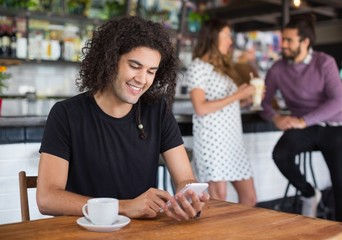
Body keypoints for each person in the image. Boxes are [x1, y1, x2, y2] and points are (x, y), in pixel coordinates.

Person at [36, 16, 209, 222]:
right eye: (135, 66)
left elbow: (185, 178)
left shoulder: (157, 111)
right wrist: (125, 207)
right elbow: (47, 198)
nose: (142, 79)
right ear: (110, 61)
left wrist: (188, 196)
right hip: (85, 232)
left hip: (142, 233)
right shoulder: (66, 114)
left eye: (151, 71)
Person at [260, 14, 342, 222]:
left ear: (305, 42)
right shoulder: (277, 69)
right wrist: (275, 118)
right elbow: (264, 103)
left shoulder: (324, 62)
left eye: (289, 40)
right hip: (303, 128)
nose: (283, 45)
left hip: (332, 125)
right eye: (283, 39)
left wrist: (303, 120)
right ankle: (309, 193)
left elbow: (337, 101)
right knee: (280, 155)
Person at [185, 18, 257, 206]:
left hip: (233, 142)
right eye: (226, 36)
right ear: (212, 37)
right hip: (213, 143)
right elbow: (200, 108)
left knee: (250, 198)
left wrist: (246, 100)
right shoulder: (198, 67)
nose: (230, 41)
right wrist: (237, 95)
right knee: (219, 201)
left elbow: (225, 107)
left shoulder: (224, 70)